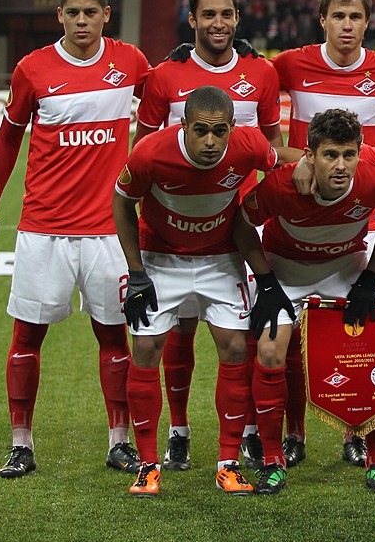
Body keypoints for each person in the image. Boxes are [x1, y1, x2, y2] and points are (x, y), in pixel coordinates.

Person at [0, 0, 150, 479]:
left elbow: (172, 91)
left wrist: (203, 57)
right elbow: (8, 140)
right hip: (44, 228)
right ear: (60, 15)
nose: (81, 21)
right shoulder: (32, 69)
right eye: (72, 12)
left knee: (114, 337)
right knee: (26, 338)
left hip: (108, 231)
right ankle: (21, 444)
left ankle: (119, 442)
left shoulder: (130, 61)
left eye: (90, 12)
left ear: (106, 15)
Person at [112, 86, 298, 497]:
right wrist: (137, 272)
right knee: (145, 349)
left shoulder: (248, 144)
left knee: (234, 348)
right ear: (184, 126)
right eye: (201, 131)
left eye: (219, 131)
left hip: (220, 257)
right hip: (161, 258)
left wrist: (323, 160)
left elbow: (281, 158)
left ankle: (227, 464)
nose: (211, 141)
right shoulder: (149, 153)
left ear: (232, 126)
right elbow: (122, 203)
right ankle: (148, 466)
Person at [134, 0, 283, 475]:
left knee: (242, 338)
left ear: (237, 19)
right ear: (192, 19)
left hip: (238, 231)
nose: (218, 23)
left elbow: (271, 151)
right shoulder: (164, 76)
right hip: (173, 233)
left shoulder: (262, 73)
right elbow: (143, 153)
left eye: (226, 14)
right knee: (177, 333)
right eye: (208, 14)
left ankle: (244, 434)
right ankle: (178, 432)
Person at [269, 0, 375, 468]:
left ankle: (358, 429)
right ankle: (294, 432)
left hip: (367, 219)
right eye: (338, 16)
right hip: (305, 211)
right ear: (323, 20)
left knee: (361, 336)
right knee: (290, 341)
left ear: (367, 22)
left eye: (355, 17)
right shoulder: (292, 63)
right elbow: (247, 80)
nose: (347, 25)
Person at [237, 108, 375, 495]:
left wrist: (369, 276)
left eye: (349, 154)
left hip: (347, 268)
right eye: (330, 155)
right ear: (310, 156)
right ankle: (273, 461)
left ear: (360, 152)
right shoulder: (281, 185)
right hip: (285, 270)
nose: (341, 165)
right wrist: (266, 281)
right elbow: (242, 225)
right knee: (270, 352)